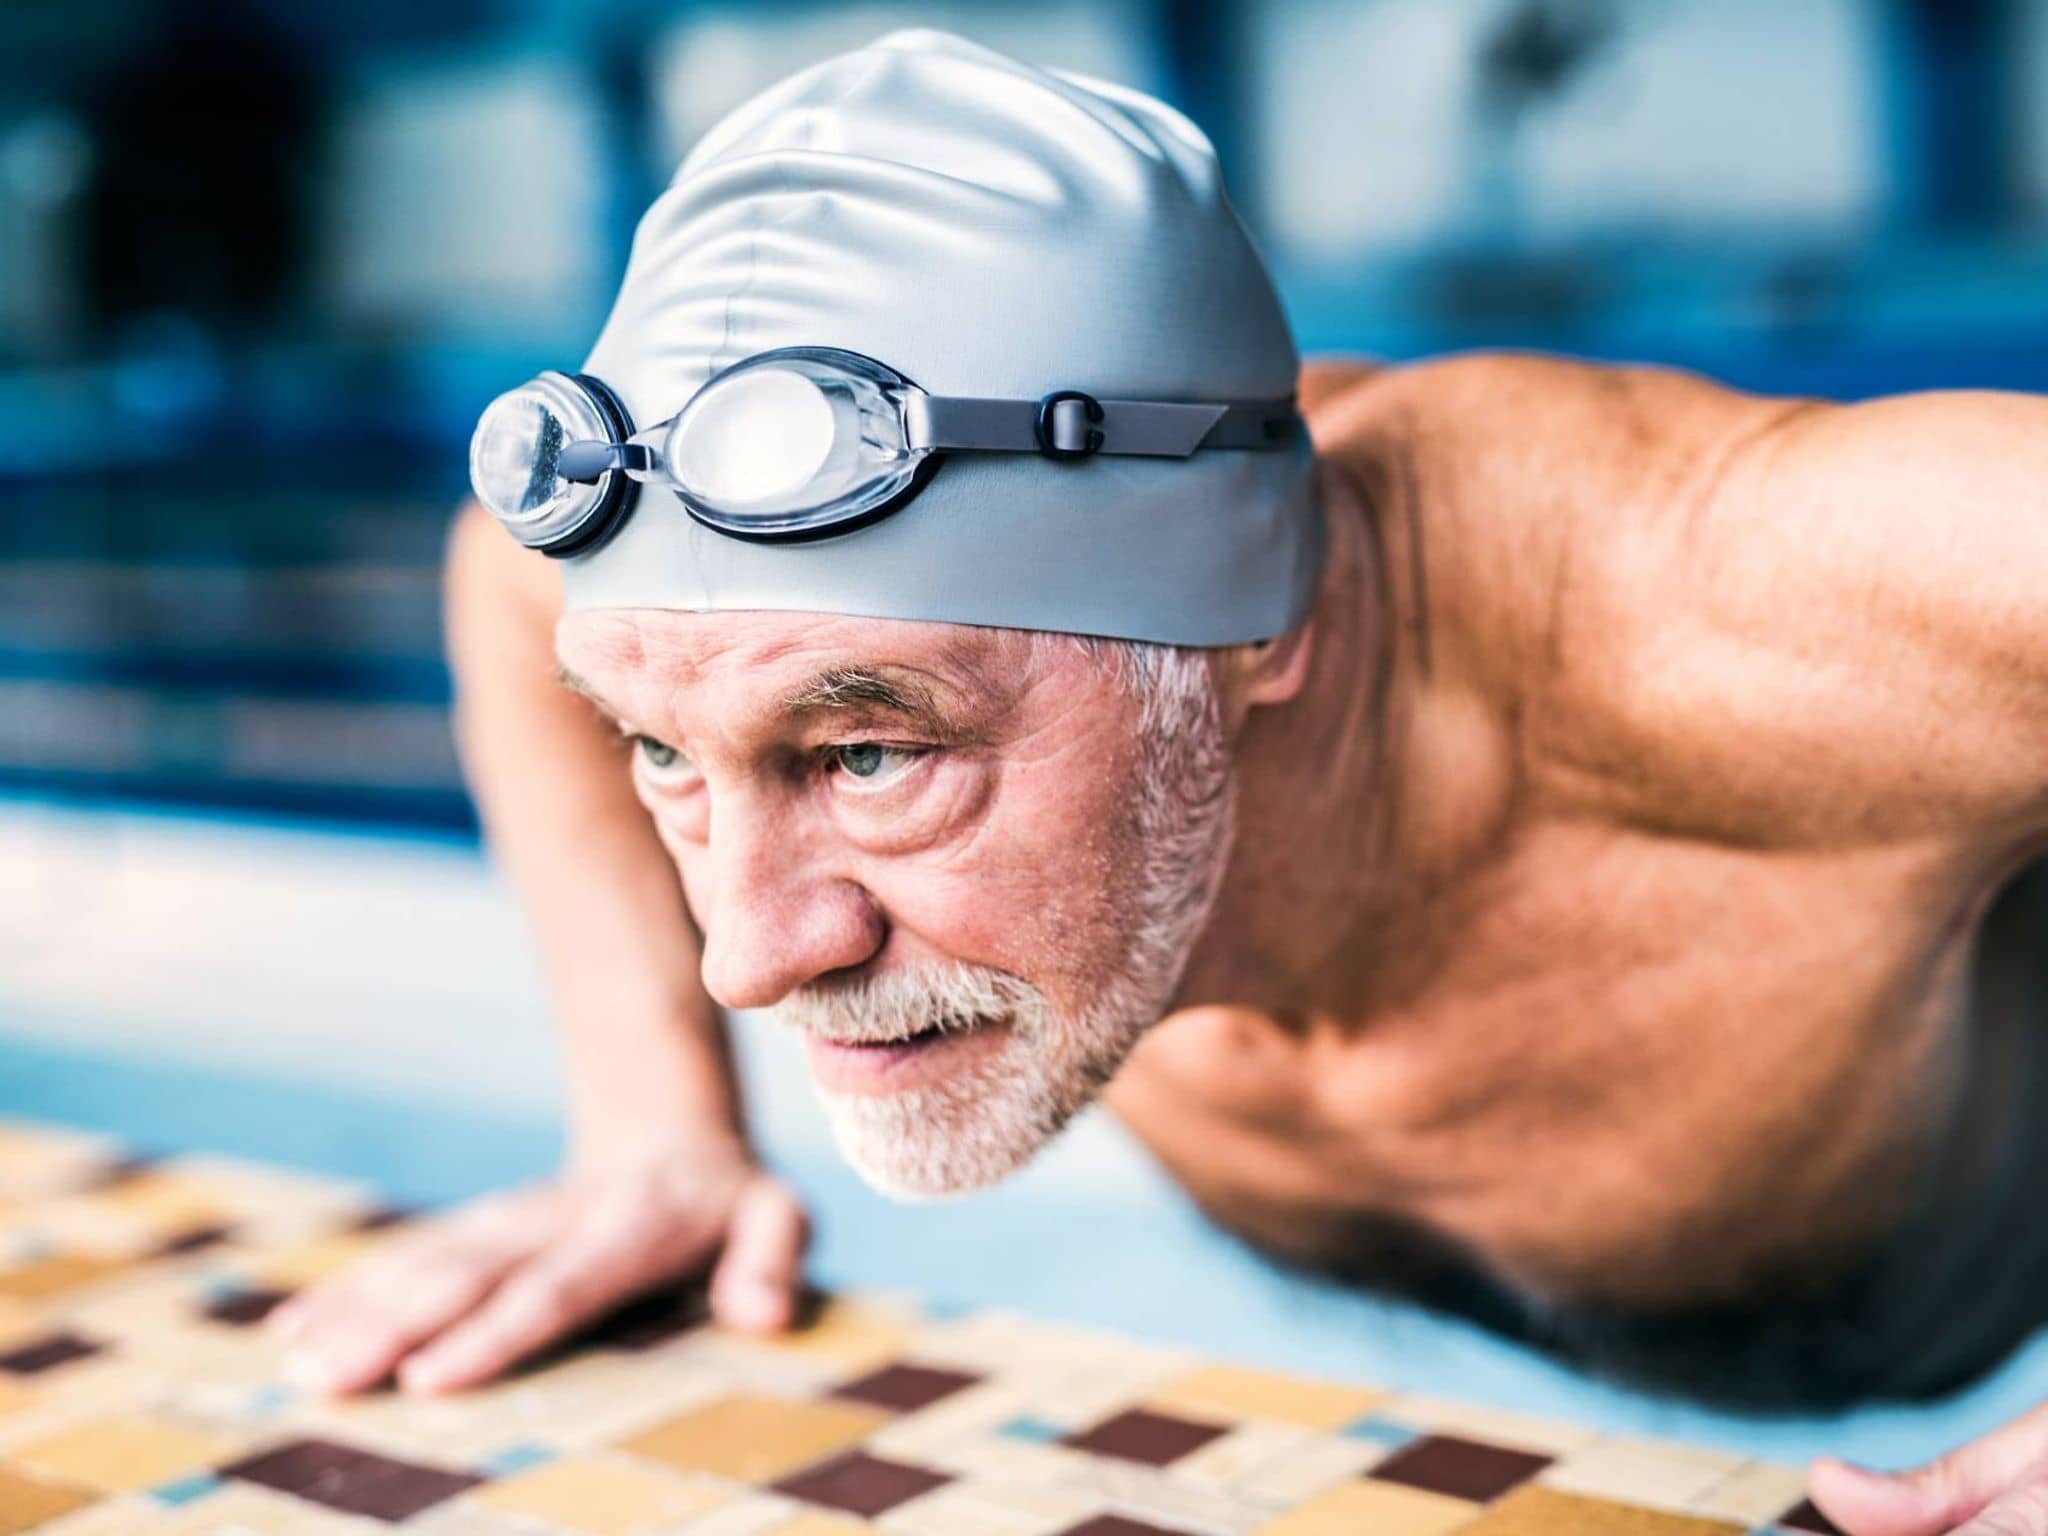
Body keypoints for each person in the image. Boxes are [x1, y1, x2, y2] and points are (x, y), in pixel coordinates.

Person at [268, 31, 2048, 1536]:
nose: (751, 953)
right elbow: (504, 581)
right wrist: (652, 1127)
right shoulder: (715, 638)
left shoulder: (1734, 606)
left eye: (870, 754)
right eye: (666, 751)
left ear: (1259, 628)